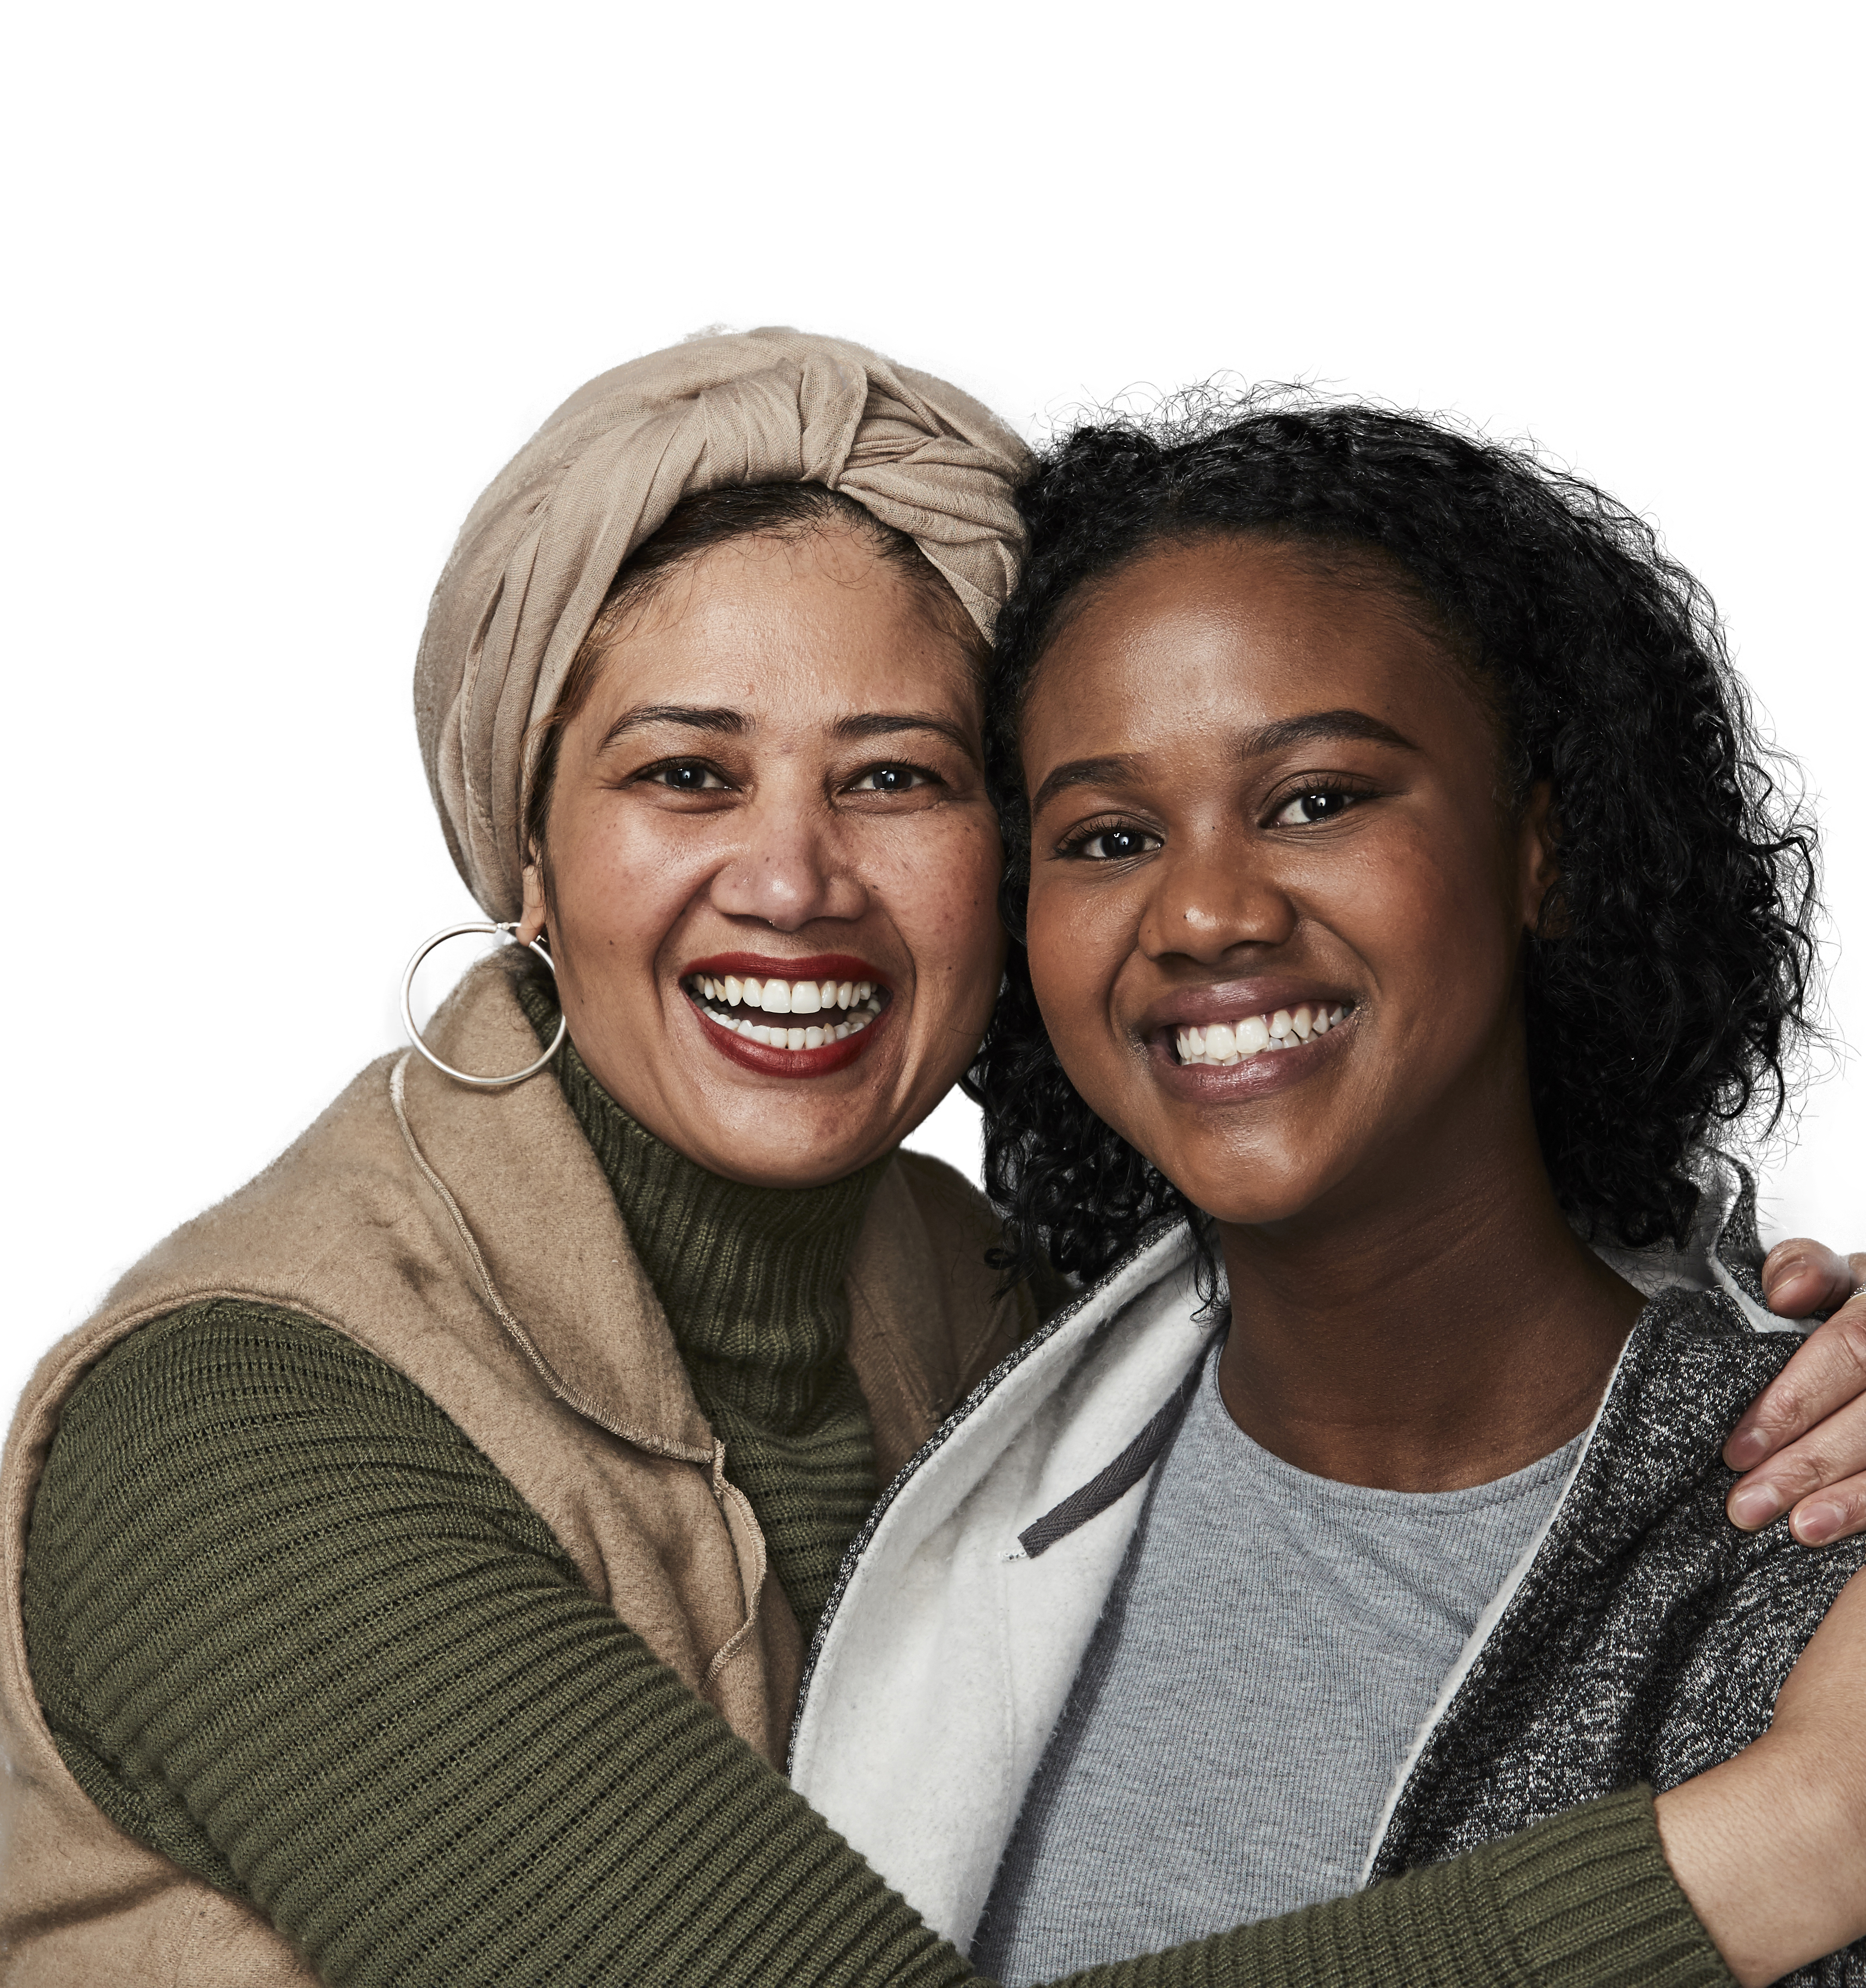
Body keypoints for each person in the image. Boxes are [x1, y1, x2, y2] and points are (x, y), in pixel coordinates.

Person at [3, 336, 1864, 1988]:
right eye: (684, 775)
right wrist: (1781, 1842)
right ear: (525, 855)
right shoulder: (237, 1431)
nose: (797, 880)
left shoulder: (995, 1309)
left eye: (894, 777)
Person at [784, 390, 1866, 1986]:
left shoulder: (1814, 1552)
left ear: (1537, 847)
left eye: (1315, 800)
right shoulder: (953, 1450)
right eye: (1107, 837)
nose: (1205, 911)